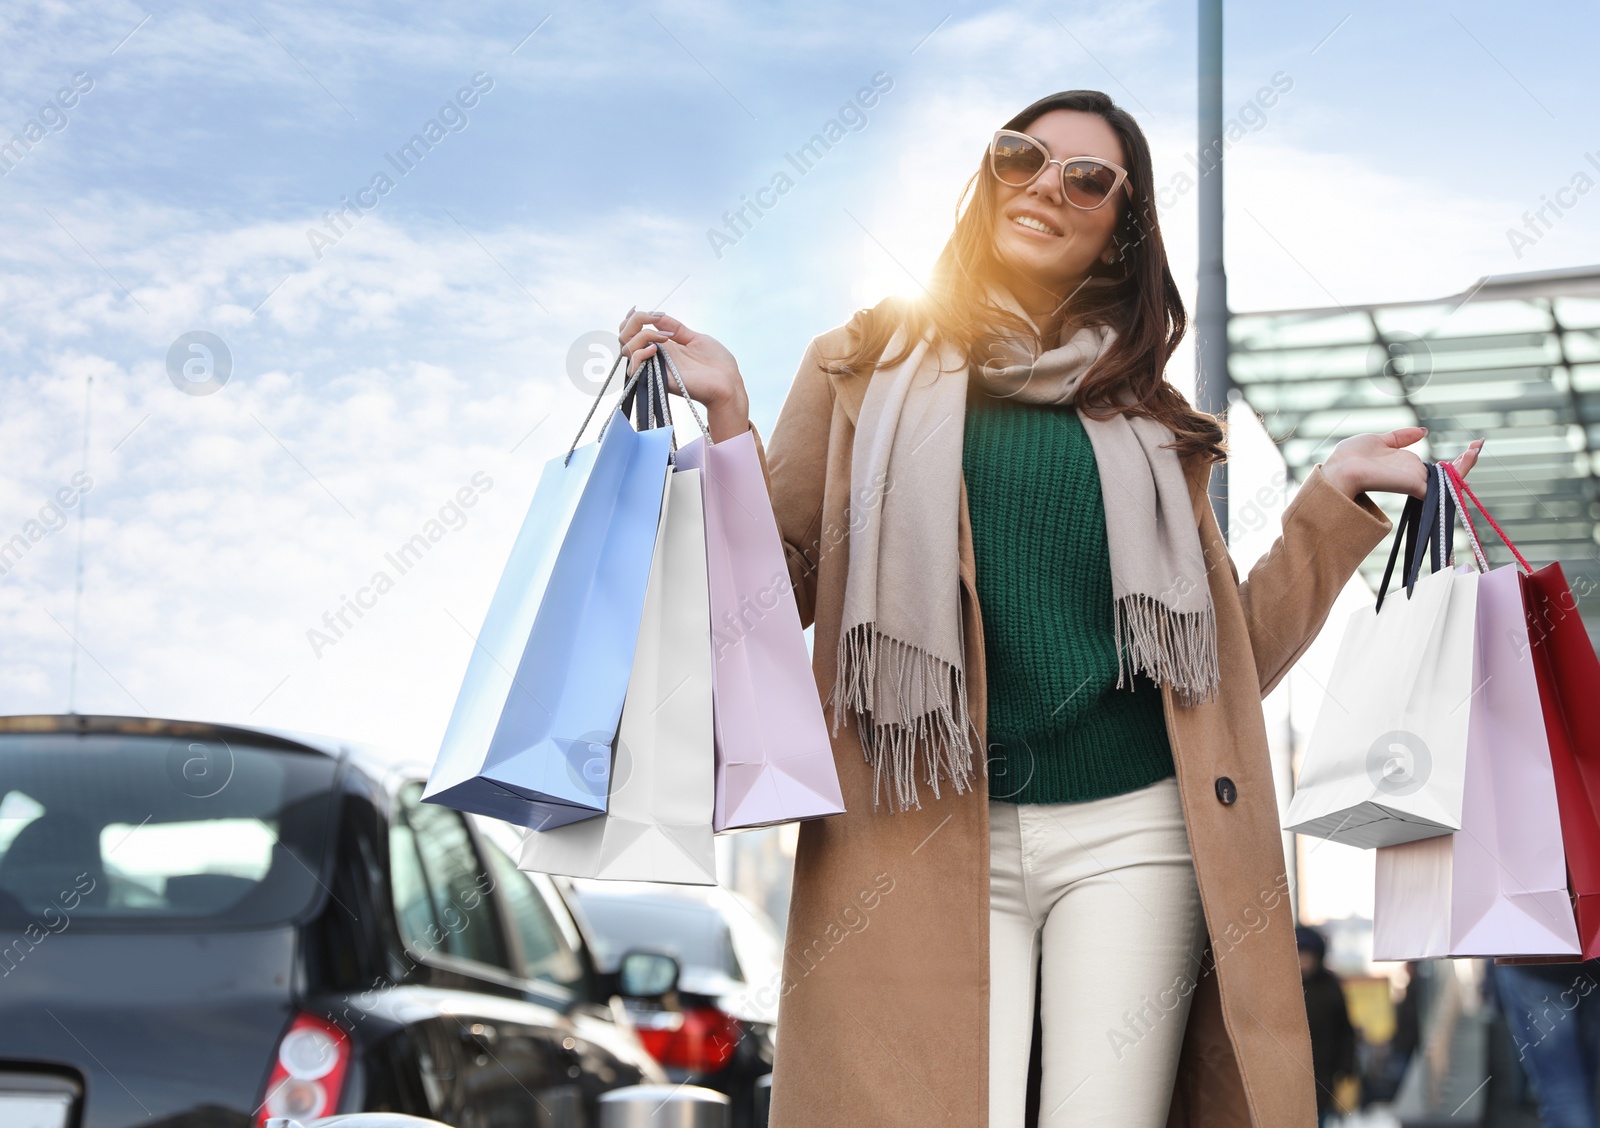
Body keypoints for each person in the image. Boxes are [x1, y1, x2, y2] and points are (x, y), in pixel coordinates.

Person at [617, 89, 1484, 1127]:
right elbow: (778, 592)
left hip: (1134, 830)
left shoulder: (1155, 427)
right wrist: (729, 423)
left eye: (1086, 178)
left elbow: (1219, 666)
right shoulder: (861, 368)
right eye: (1019, 155)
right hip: (920, 828)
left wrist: (1328, 508)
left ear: (1120, 227)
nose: (1044, 186)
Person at [1489, 958, 1600, 1128]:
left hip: (1535, 962)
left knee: (1562, 1092)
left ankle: (1520, 1092)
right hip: (1593, 964)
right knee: (1585, 1081)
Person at [1298, 925, 1357, 1125]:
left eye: (1308, 956)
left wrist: (1346, 1067)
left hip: (1323, 1073)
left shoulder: (1330, 986)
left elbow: (1345, 1030)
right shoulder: (1283, 987)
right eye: (1299, 955)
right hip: (1292, 1072)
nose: (1303, 962)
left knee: (1319, 1119)